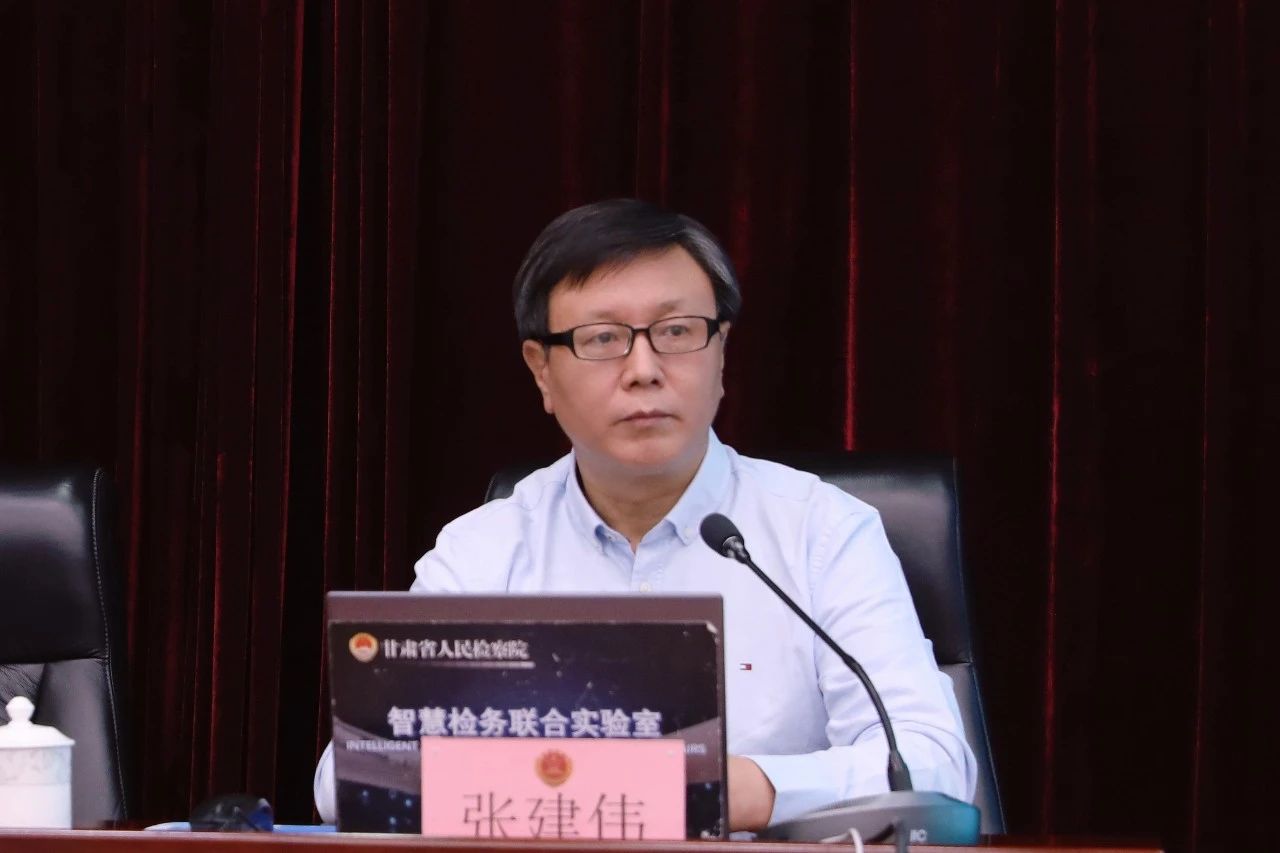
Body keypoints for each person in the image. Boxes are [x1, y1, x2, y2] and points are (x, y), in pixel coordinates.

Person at [314, 198, 977, 830]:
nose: (643, 369)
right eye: (603, 338)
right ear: (541, 371)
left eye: (677, 332)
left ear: (721, 352)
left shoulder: (821, 532)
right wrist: (589, 785)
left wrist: (734, 788)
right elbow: (349, 777)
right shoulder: (485, 551)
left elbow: (934, 765)